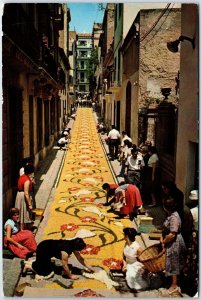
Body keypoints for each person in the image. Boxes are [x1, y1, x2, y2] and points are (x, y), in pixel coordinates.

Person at [22, 238, 94, 279]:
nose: (79, 252)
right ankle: (28, 266)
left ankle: (34, 262)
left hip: (47, 247)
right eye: (79, 250)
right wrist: (71, 276)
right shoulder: (65, 252)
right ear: (76, 247)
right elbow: (64, 265)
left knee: (48, 265)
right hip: (43, 249)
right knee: (45, 272)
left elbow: (80, 259)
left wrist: (90, 267)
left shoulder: (73, 243)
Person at [161, 197, 186, 295]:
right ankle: (172, 281)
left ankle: (174, 285)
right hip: (170, 241)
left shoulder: (174, 217)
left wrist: (164, 241)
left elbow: (172, 234)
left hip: (174, 243)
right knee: (171, 261)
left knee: (173, 262)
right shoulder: (170, 215)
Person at [161, 181, 193, 247]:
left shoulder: (178, 194)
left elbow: (178, 208)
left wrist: (164, 242)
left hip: (179, 214)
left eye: (165, 189)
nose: (164, 190)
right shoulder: (167, 194)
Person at [15, 164, 35, 230]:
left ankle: (23, 230)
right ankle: (22, 231)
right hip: (22, 197)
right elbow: (26, 193)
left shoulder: (23, 176)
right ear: (31, 172)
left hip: (19, 195)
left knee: (21, 213)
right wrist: (29, 204)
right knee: (23, 214)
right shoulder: (27, 180)